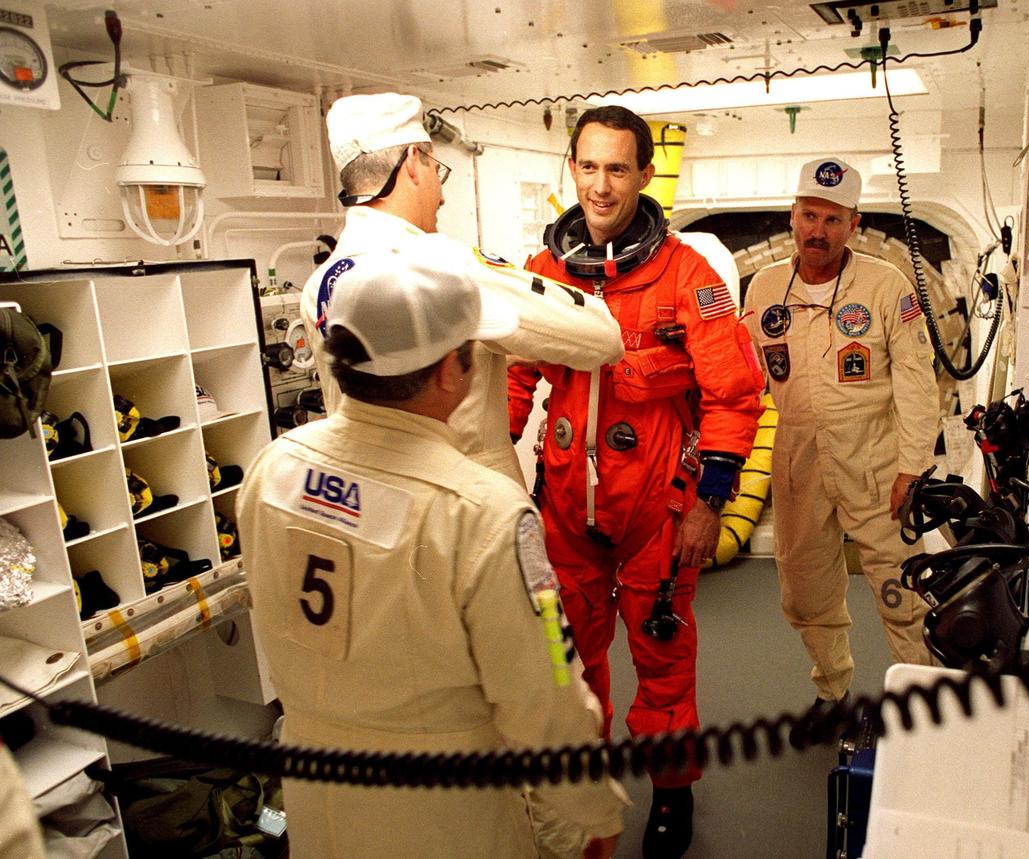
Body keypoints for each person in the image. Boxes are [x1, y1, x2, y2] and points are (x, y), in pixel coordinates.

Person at [238, 250, 627, 858]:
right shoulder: (483, 512)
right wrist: (591, 810)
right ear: (453, 369)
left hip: (317, 801)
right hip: (444, 817)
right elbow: (544, 694)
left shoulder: (275, 468)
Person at [508, 106, 764, 859]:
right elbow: (517, 375)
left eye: (617, 168)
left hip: (658, 512)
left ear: (646, 174)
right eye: (588, 166)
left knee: (663, 662)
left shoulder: (688, 277)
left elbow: (733, 395)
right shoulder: (546, 272)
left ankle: (672, 790)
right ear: (572, 170)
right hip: (565, 513)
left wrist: (708, 505)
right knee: (565, 660)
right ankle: (582, 783)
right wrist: (492, 463)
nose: (600, 184)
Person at [300, 92, 623, 486]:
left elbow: (399, 371)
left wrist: (491, 355)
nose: (441, 192)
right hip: (464, 501)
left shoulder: (321, 282)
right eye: (437, 169)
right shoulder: (444, 266)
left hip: (373, 498)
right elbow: (602, 337)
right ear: (414, 164)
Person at [742, 158, 937, 712]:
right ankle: (831, 689)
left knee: (899, 585)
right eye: (808, 216)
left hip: (874, 454)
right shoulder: (765, 287)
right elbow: (742, 373)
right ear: (792, 216)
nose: (817, 231)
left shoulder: (884, 284)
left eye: (832, 219)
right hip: (797, 452)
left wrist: (913, 467)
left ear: (853, 224)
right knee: (804, 588)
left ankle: (919, 699)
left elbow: (917, 381)